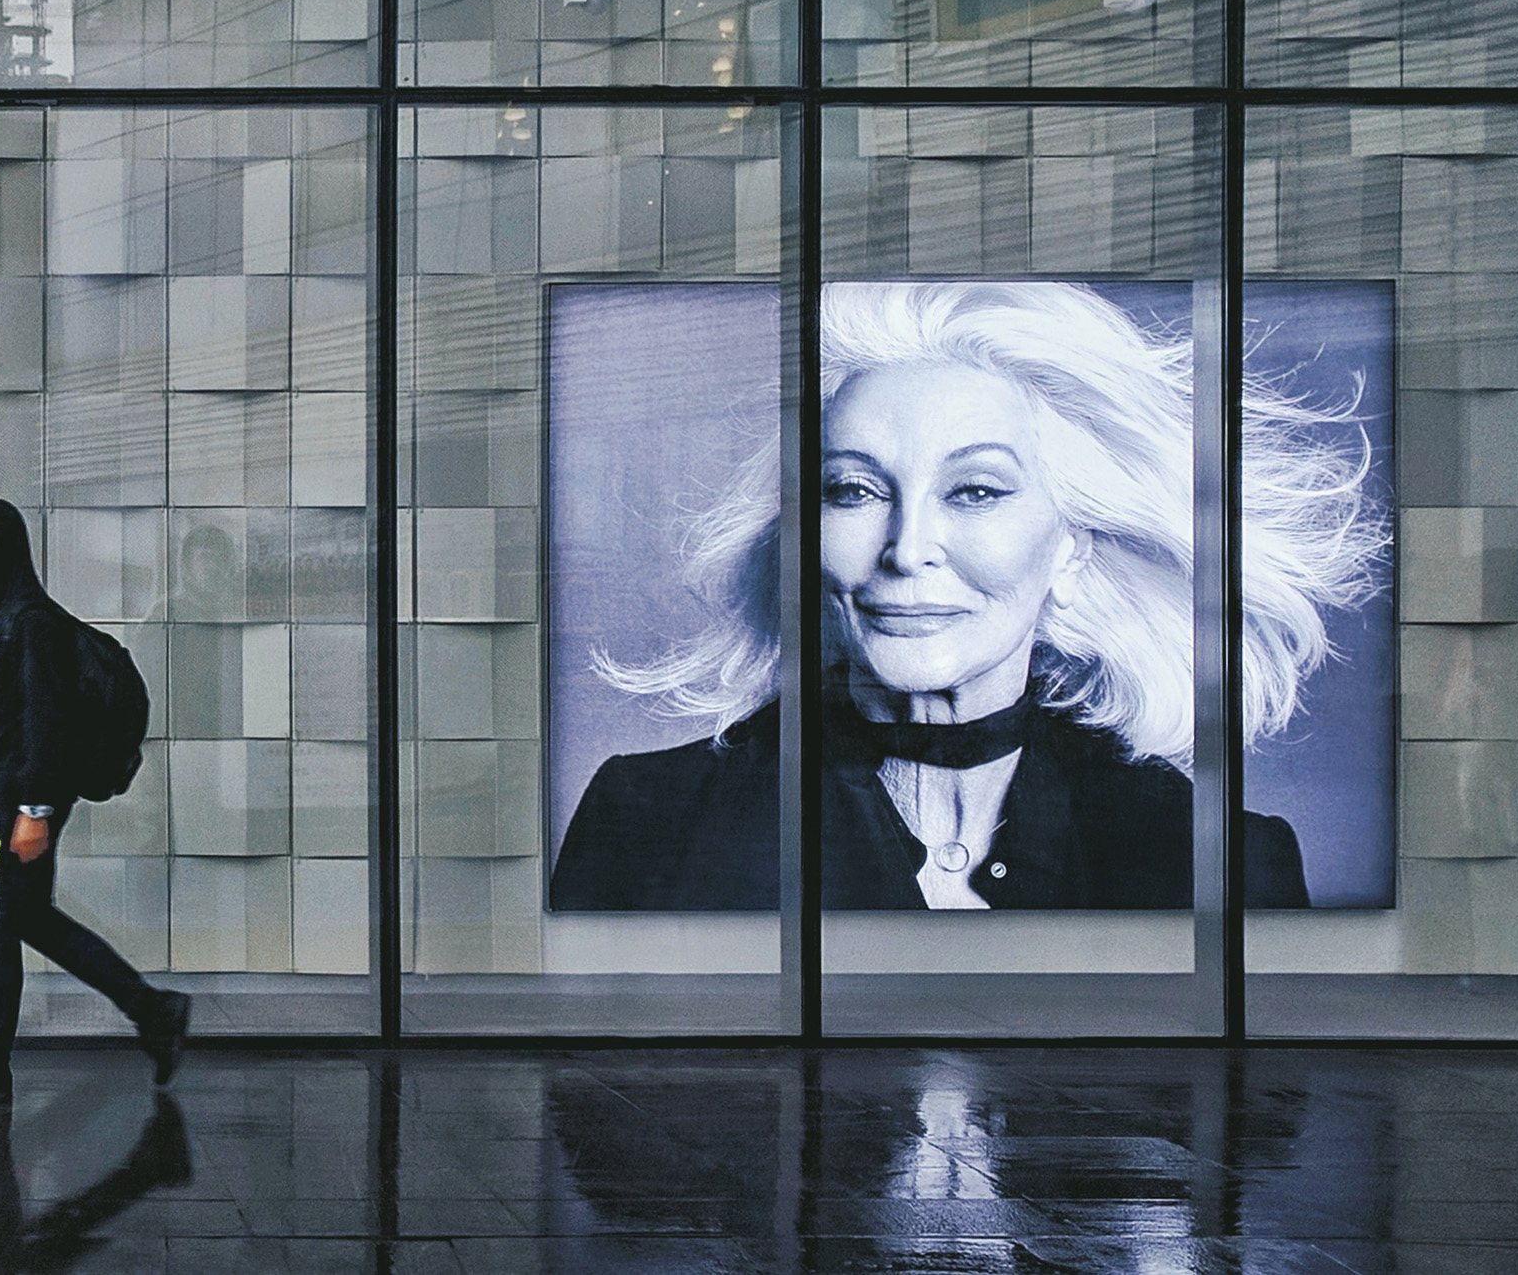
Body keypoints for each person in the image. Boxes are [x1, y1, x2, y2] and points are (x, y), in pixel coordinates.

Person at [552, 280, 1384, 912]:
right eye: (853, 489)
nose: (907, 549)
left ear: (1072, 546)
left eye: (976, 491)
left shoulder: (1220, 857)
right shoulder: (646, 821)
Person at [0, 497, 192, 1106]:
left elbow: (45, 722)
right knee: (24, 918)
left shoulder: (32, 622)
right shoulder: (7, 616)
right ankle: (153, 1009)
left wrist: (34, 812)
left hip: (13, 803)